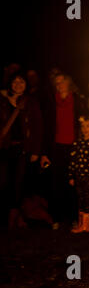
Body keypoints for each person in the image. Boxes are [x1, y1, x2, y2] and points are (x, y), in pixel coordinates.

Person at [40, 72, 88, 229]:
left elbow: (84, 121)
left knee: (74, 183)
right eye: (57, 82)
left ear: (69, 83)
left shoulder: (78, 100)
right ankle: (56, 218)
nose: (59, 85)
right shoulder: (51, 101)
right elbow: (46, 128)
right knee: (56, 183)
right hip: (56, 146)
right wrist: (45, 152)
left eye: (62, 82)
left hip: (74, 146)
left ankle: (74, 217)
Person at [0, 71, 43, 229]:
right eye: (15, 82)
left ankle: (15, 218)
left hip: (22, 148)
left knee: (18, 184)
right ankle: (10, 216)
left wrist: (36, 150)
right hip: (5, 147)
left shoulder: (31, 102)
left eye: (22, 82)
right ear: (11, 84)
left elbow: (38, 127)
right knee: (4, 182)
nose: (18, 85)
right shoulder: (3, 101)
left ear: (26, 85)